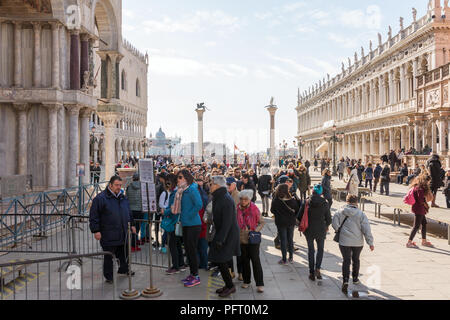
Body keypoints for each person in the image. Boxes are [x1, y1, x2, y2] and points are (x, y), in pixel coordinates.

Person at [89, 176, 136, 283]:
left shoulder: (123, 197)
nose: (119, 187)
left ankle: (123, 269)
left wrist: (132, 224)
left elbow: (129, 212)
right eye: (116, 185)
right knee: (109, 256)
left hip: (123, 231)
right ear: (110, 185)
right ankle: (109, 276)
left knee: (124, 253)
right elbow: (94, 216)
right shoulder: (100, 199)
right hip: (108, 233)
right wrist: (96, 230)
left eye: (120, 185)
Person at [332, 194, 374, 294]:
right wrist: (370, 242)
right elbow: (366, 229)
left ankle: (345, 280)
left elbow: (334, 223)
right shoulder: (361, 214)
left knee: (346, 260)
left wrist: (339, 230)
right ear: (356, 202)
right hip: (357, 242)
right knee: (356, 259)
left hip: (344, 241)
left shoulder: (340, 211)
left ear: (347, 201)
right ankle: (355, 278)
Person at [208, 176, 241, 298]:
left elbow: (227, 222)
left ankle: (230, 286)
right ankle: (228, 285)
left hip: (228, 234)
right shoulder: (219, 196)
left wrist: (220, 239)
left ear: (217, 185)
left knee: (221, 260)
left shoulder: (225, 199)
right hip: (223, 233)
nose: (209, 186)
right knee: (221, 261)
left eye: (211, 184)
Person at [174, 169, 203, 288]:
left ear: (186, 178)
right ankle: (192, 274)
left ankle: (196, 276)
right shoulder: (182, 191)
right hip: (186, 224)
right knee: (188, 250)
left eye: (180, 177)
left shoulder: (191, 189)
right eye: (178, 177)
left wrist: (188, 215)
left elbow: (199, 204)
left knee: (191, 251)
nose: (178, 179)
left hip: (193, 224)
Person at [298, 184, 331, 281]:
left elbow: (299, 216)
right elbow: (329, 219)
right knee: (320, 249)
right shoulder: (325, 203)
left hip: (308, 230)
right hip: (321, 230)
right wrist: (326, 226)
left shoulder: (307, 201)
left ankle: (311, 272)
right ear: (321, 192)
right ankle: (318, 268)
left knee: (311, 250)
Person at [237, 190, 265, 293]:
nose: (243, 201)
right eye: (241, 199)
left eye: (245, 199)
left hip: (252, 240)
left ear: (249, 199)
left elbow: (262, 222)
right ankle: (246, 281)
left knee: (255, 261)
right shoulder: (237, 209)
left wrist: (254, 231)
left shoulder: (254, 209)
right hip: (241, 239)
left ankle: (260, 283)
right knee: (244, 261)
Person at [270, 184, 300, 265]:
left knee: (283, 240)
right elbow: (297, 209)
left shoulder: (276, 200)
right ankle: (291, 257)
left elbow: (272, 210)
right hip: (290, 222)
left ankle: (284, 259)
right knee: (290, 239)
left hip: (281, 222)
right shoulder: (291, 199)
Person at [163, 174, 186, 275]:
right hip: (177, 221)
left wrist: (165, 212)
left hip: (173, 222)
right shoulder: (179, 191)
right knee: (177, 244)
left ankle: (175, 266)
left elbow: (173, 208)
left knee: (173, 245)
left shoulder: (175, 192)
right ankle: (181, 264)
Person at [406, 175, 434, 248]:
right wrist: (426, 204)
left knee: (424, 223)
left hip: (418, 208)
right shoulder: (420, 189)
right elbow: (421, 200)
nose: (428, 183)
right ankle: (409, 242)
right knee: (416, 226)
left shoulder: (417, 187)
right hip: (419, 209)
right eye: (428, 182)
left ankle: (424, 241)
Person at [126, 173, 144, 252]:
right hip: (140, 209)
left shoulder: (129, 187)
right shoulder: (142, 187)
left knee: (131, 227)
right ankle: (134, 244)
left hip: (131, 210)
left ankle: (132, 244)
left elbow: (126, 198)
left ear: (133, 178)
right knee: (137, 227)